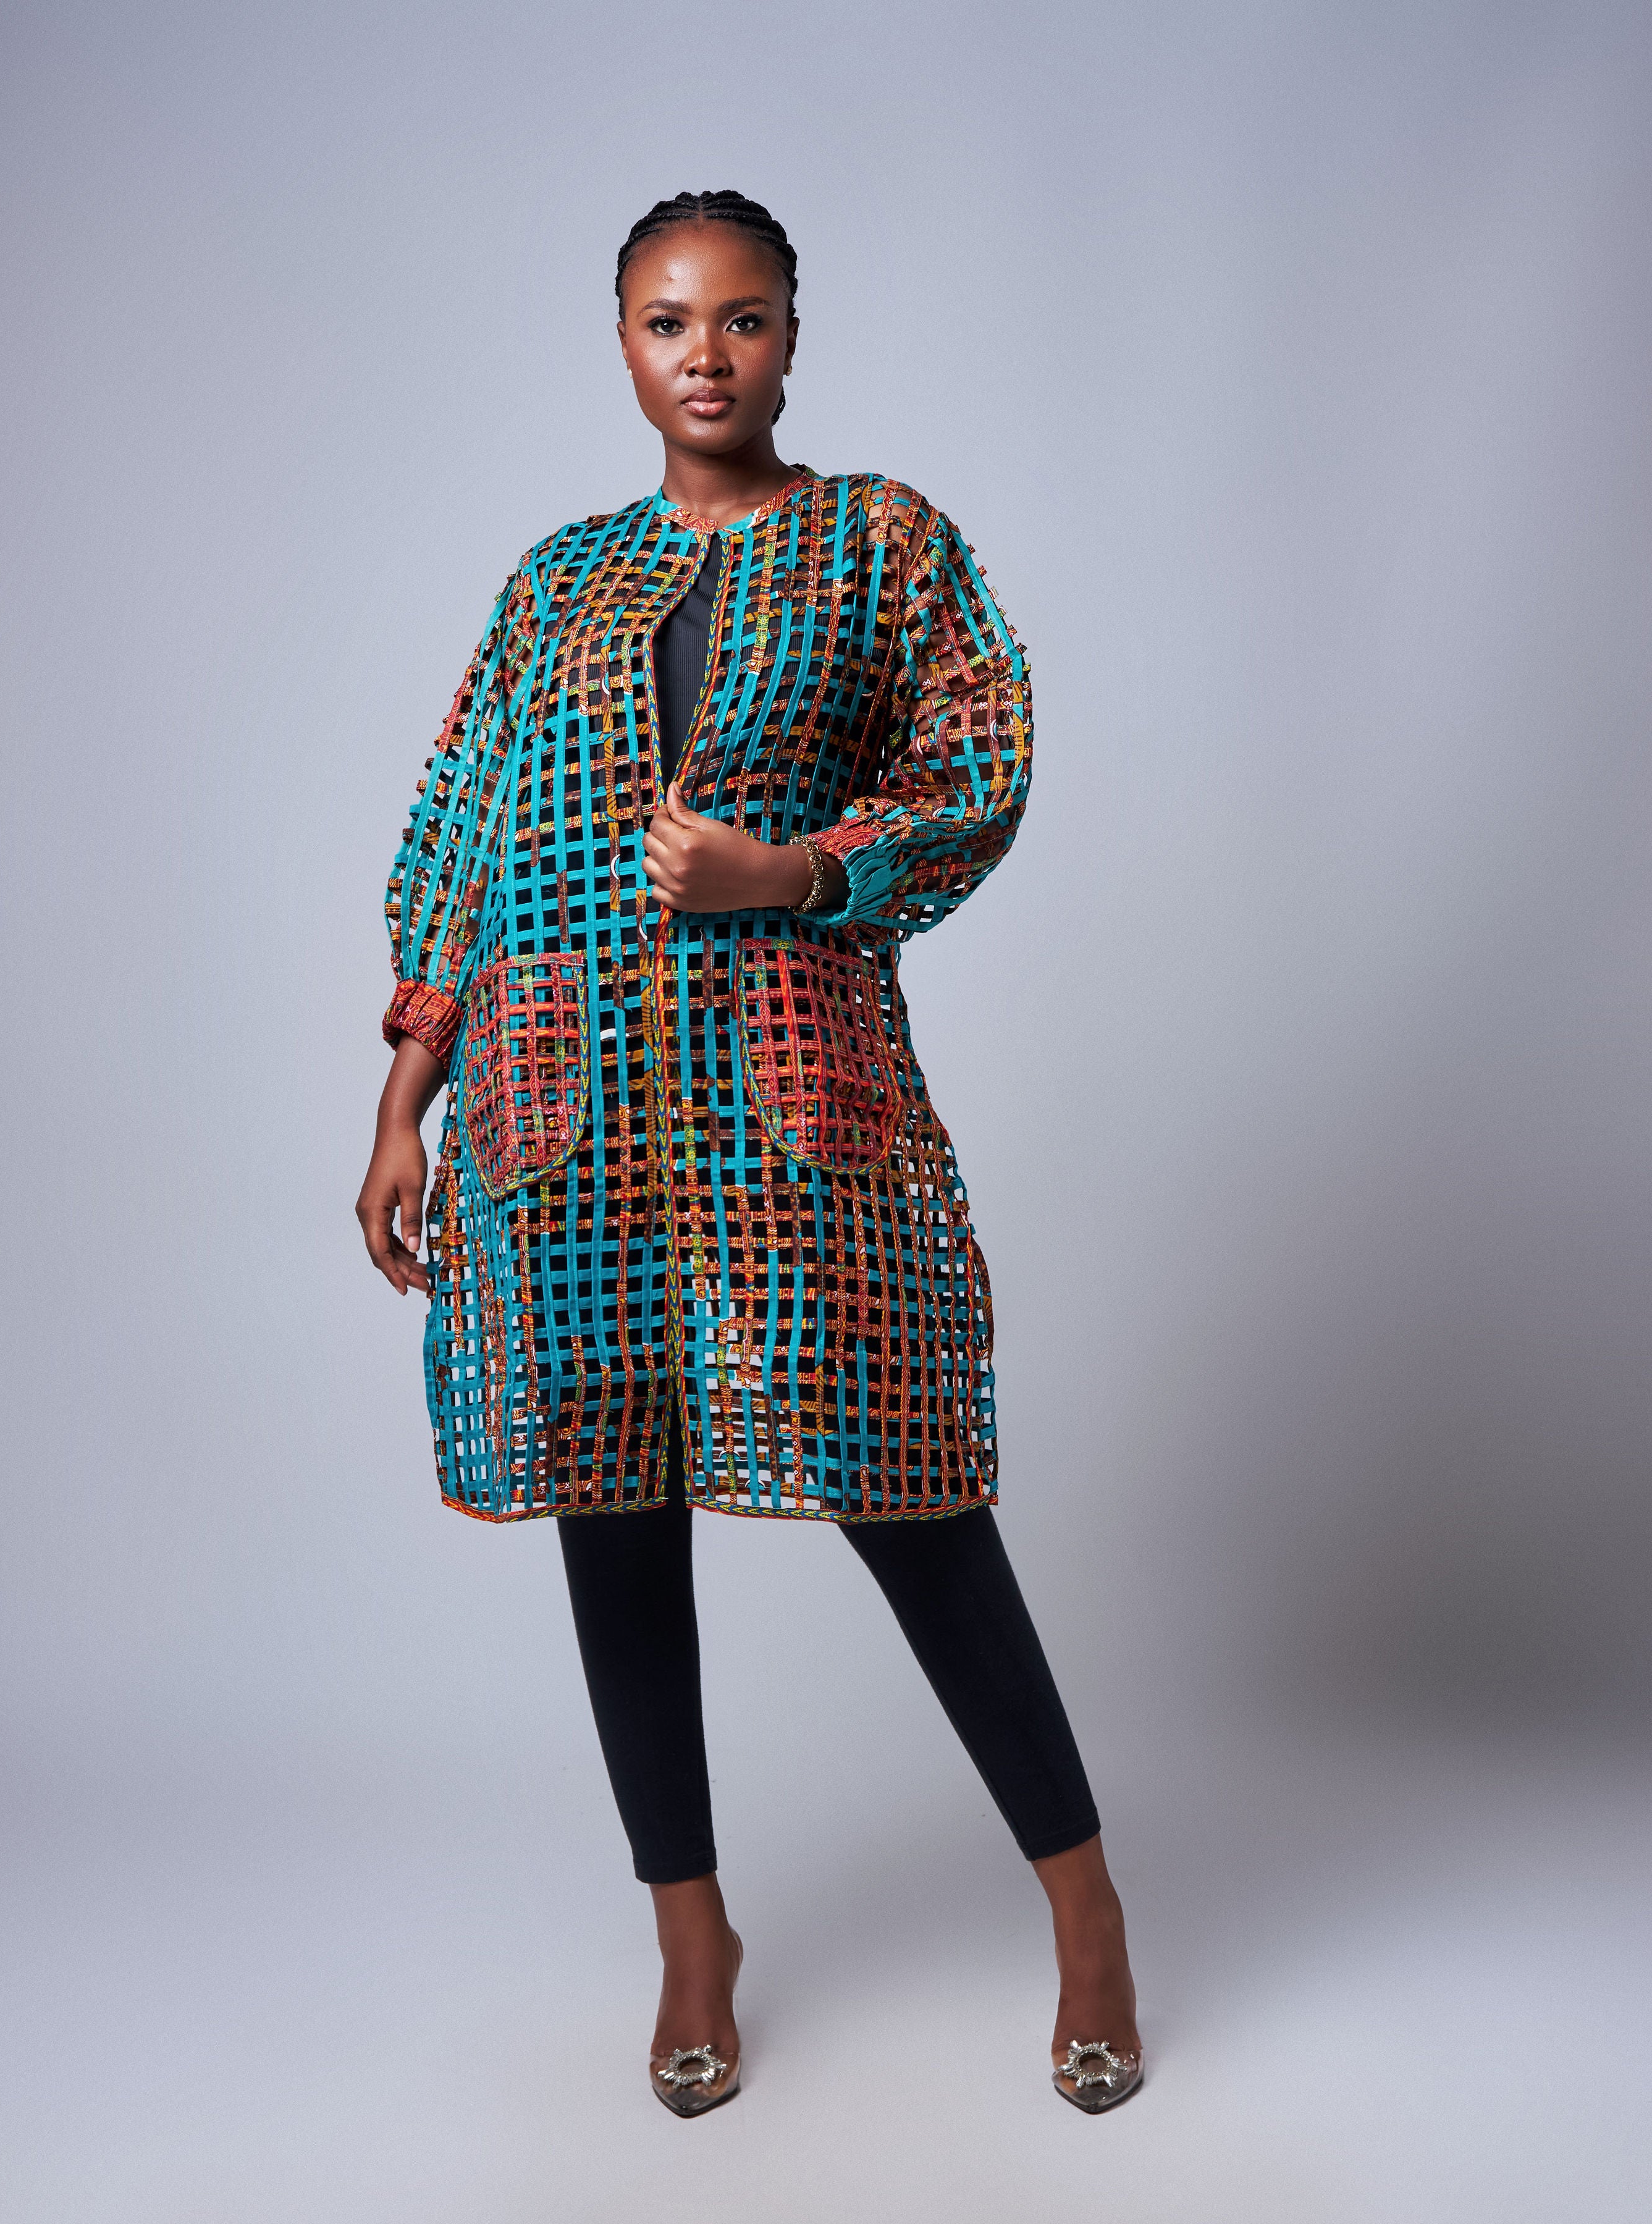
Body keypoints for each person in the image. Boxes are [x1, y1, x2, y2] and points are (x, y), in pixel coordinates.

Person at [356, 190, 1142, 2117]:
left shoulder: (883, 542)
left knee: (910, 1485)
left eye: (741, 317)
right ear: (621, 343)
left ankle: (1089, 1914)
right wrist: (403, 1094)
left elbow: (978, 768)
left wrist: (791, 873)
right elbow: (462, 828)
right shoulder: (556, 584)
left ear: (793, 332)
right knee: (610, 1507)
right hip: (560, 1111)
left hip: (790, 1095)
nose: (703, 353)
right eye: (665, 320)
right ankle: (691, 1937)